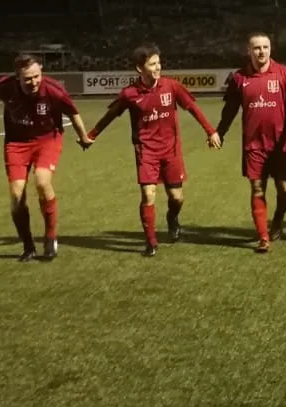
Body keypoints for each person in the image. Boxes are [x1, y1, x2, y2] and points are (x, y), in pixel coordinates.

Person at [86, 45, 221, 256]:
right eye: (152, 64)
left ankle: (172, 218)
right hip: (146, 151)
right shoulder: (130, 94)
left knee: (177, 197)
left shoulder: (172, 87)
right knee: (148, 195)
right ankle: (151, 242)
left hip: (171, 150)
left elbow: (193, 108)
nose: (158, 67)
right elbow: (111, 115)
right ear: (140, 69)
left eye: (158, 63)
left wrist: (210, 131)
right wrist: (92, 135)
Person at [0, 54, 92, 262]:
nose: (33, 82)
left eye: (36, 76)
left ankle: (50, 237)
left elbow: (73, 113)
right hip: (16, 143)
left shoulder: (54, 90)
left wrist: (83, 137)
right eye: (28, 79)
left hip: (47, 139)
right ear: (17, 77)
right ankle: (28, 245)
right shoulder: (6, 86)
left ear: (41, 71)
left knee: (42, 182)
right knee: (16, 196)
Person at [218, 33, 286, 253]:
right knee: (257, 188)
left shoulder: (284, 74)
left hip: (281, 145)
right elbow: (229, 110)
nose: (261, 52)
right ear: (249, 51)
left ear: (271, 49)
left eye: (265, 47)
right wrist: (220, 131)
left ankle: (278, 217)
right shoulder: (239, 78)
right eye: (256, 48)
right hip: (254, 145)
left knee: (285, 192)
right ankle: (263, 236)